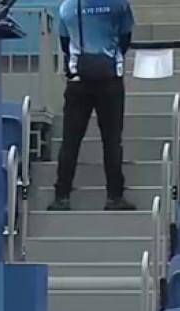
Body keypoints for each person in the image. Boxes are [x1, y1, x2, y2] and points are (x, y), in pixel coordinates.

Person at [49, 0, 136, 212]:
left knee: (71, 141)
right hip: (110, 79)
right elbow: (125, 38)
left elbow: (64, 41)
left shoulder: (68, 7)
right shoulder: (119, 4)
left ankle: (62, 197)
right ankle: (114, 196)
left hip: (78, 80)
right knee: (112, 140)